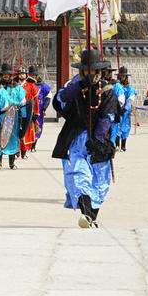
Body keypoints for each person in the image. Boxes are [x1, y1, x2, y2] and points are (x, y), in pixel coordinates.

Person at [52, 49, 121, 228]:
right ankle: (86, 213)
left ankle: (91, 216)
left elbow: (108, 116)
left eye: (94, 70)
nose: (90, 73)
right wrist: (81, 86)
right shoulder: (74, 86)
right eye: (86, 70)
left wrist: (97, 138)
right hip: (76, 138)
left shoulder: (107, 90)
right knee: (78, 174)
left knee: (100, 180)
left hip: (98, 140)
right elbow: (61, 100)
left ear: (99, 71)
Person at [0, 62, 27, 170]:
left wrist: (24, 119)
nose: (5, 76)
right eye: (4, 74)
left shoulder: (18, 88)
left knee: (13, 138)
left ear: (11, 75)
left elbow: (23, 103)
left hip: (14, 117)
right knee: (0, 138)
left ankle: (11, 162)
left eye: (7, 74)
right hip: (1, 116)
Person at [16, 66, 39, 158]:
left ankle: (24, 151)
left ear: (26, 75)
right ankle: (16, 151)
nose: (21, 75)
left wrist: (36, 113)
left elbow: (35, 100)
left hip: (27, 111)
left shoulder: (31, 85)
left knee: (26, 131)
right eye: (20, 74)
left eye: (23, 74)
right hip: (16, 111)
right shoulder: (14, 85)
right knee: (16, 131)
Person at [28, 65, 51, 151]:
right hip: (27, 108)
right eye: (31, 75)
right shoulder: (26, 84)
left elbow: (49, 95)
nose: (32, 77)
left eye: (34, 75)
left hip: (39, 109)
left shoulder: (42, 85)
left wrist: (45, 107)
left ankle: (33, 145)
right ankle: (27, 145)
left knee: (38, 126)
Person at [115, 67, 136, 151]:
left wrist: (125, 108)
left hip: (125, 111)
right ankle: (117, 145)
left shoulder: (130, 88)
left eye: (123, 76)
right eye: (120, 76)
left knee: (125, 127)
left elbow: (130, 99)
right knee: (116, 126)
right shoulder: (117, 86)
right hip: (117, 109)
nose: (121, 78)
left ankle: (123, 145)